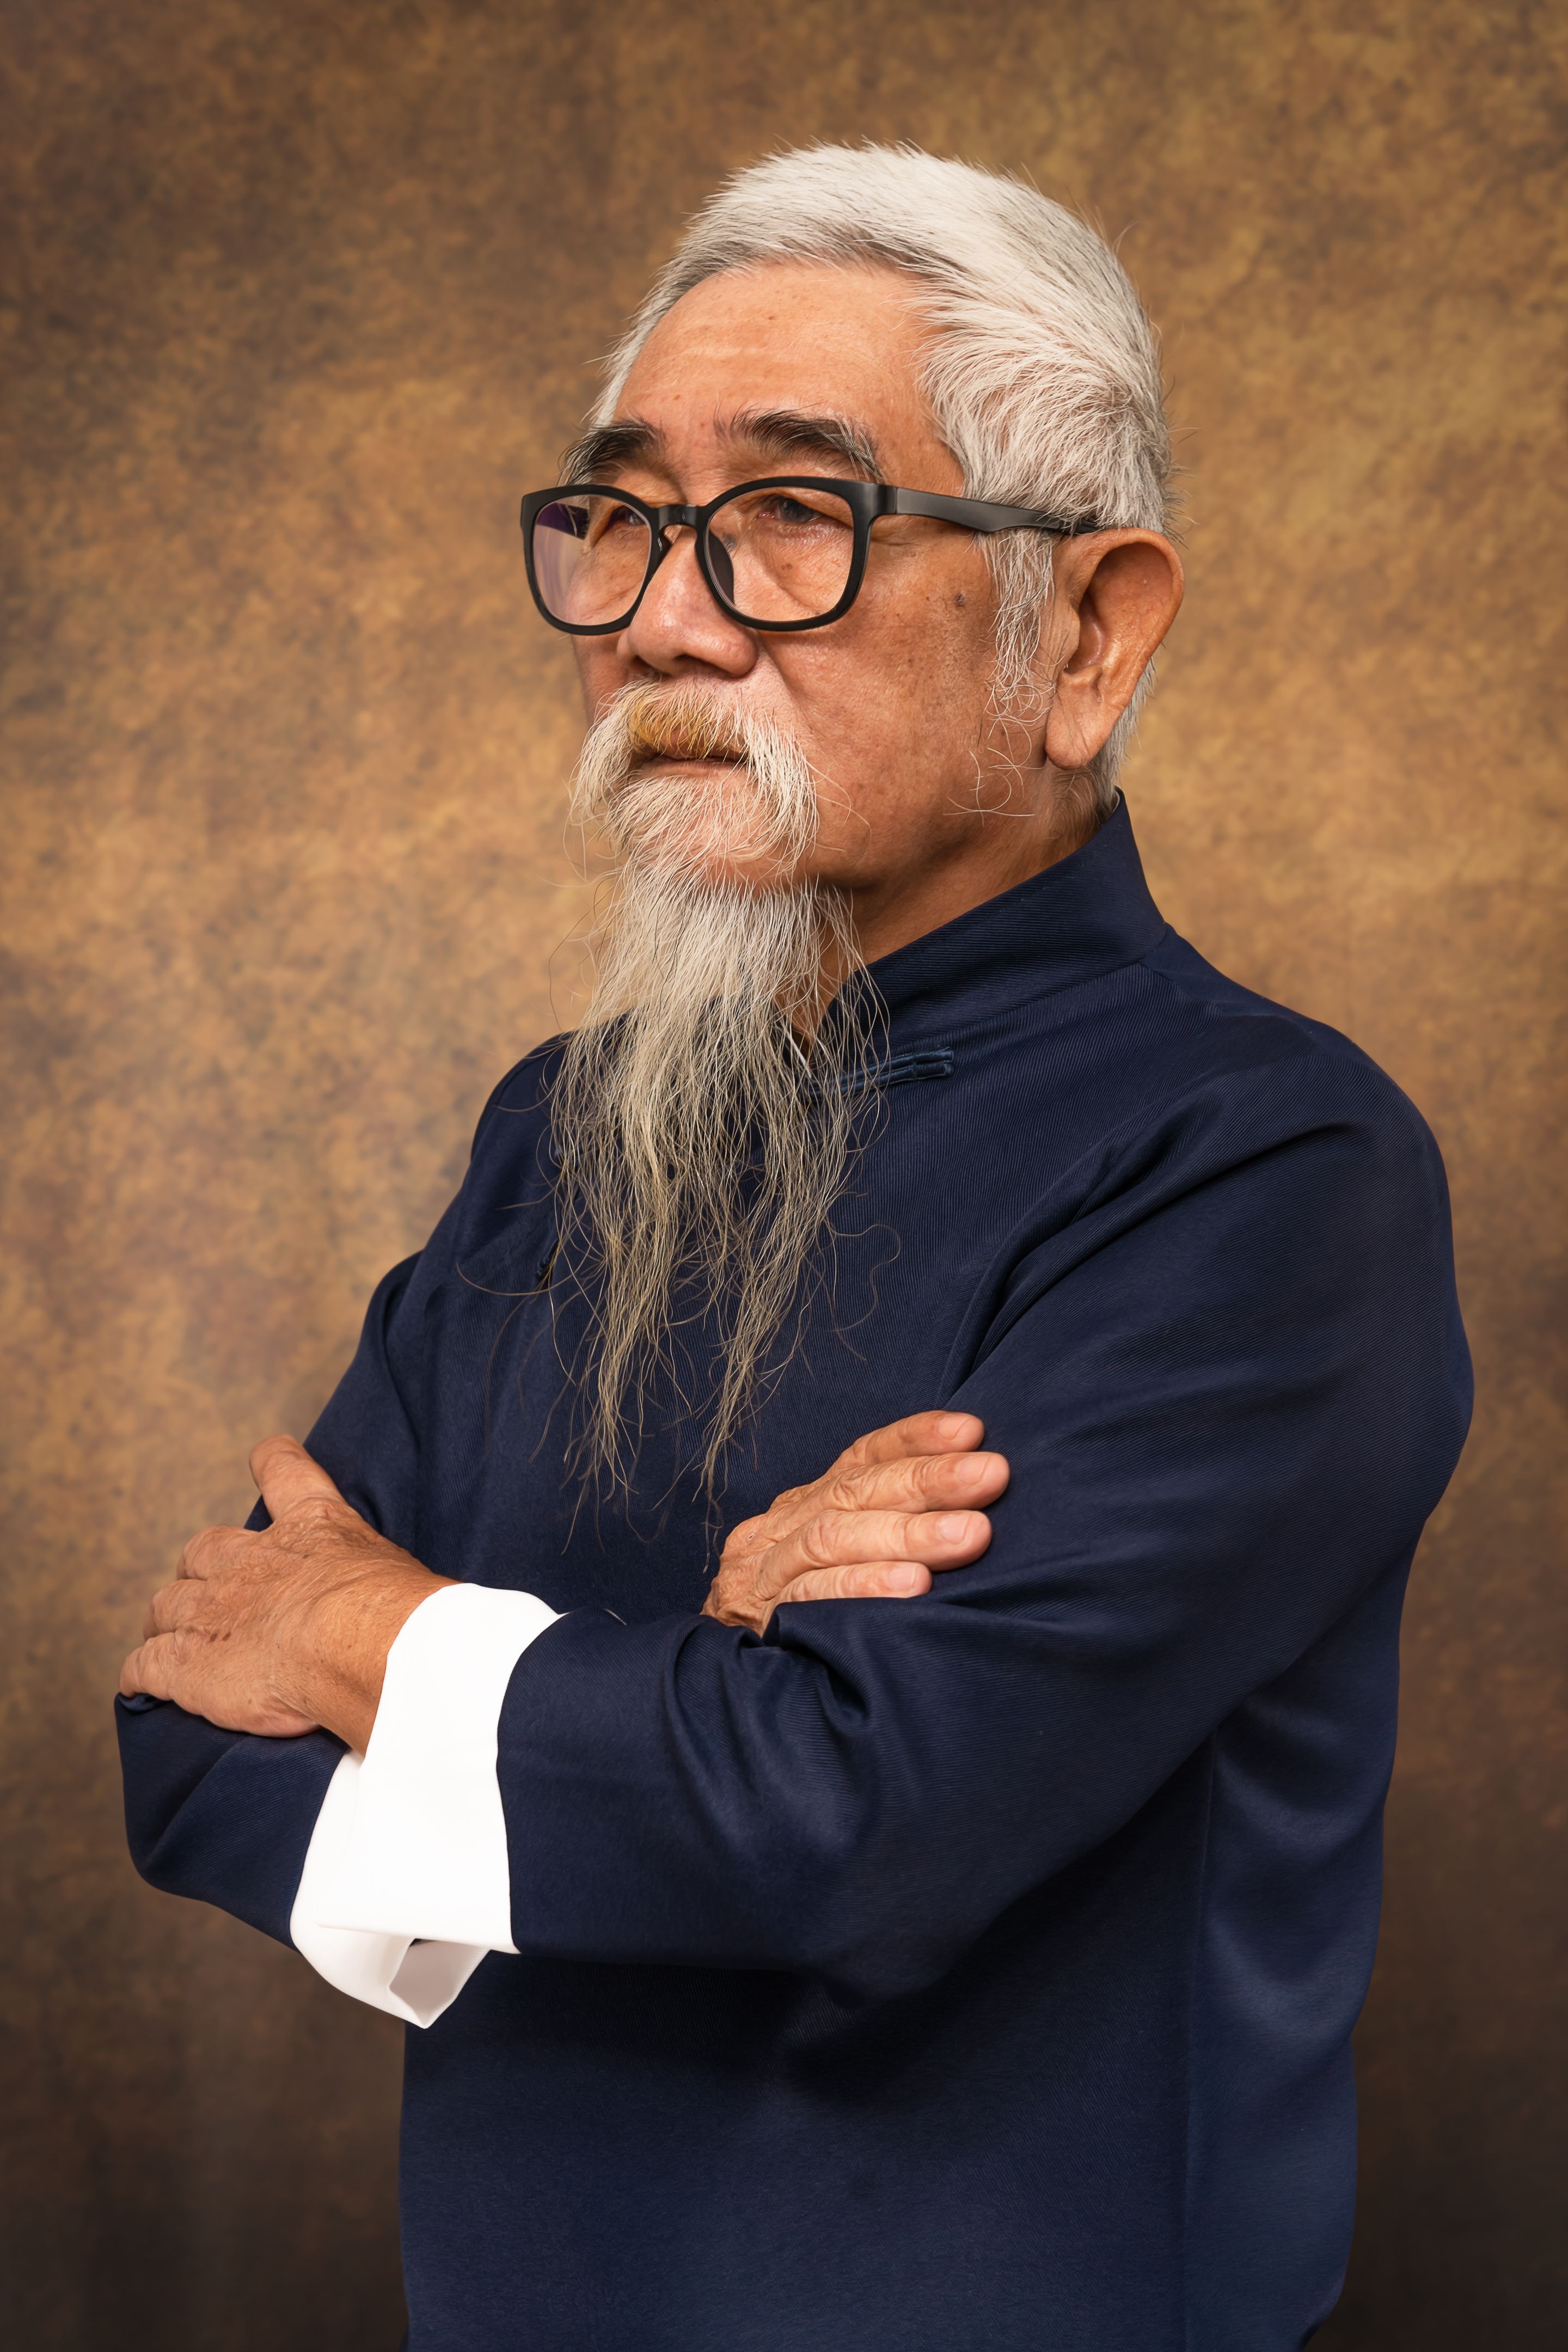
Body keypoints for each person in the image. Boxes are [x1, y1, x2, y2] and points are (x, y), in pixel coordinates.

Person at [117, 143, 1470, 2352]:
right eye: (624, 517)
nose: (661, 615)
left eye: (791, 518)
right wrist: (699, 1688)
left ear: (1092, 632)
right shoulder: (565, 1133)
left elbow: (856, 1818)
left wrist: (397, 1656)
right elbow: (181, 1733)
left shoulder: (1269, 1162)